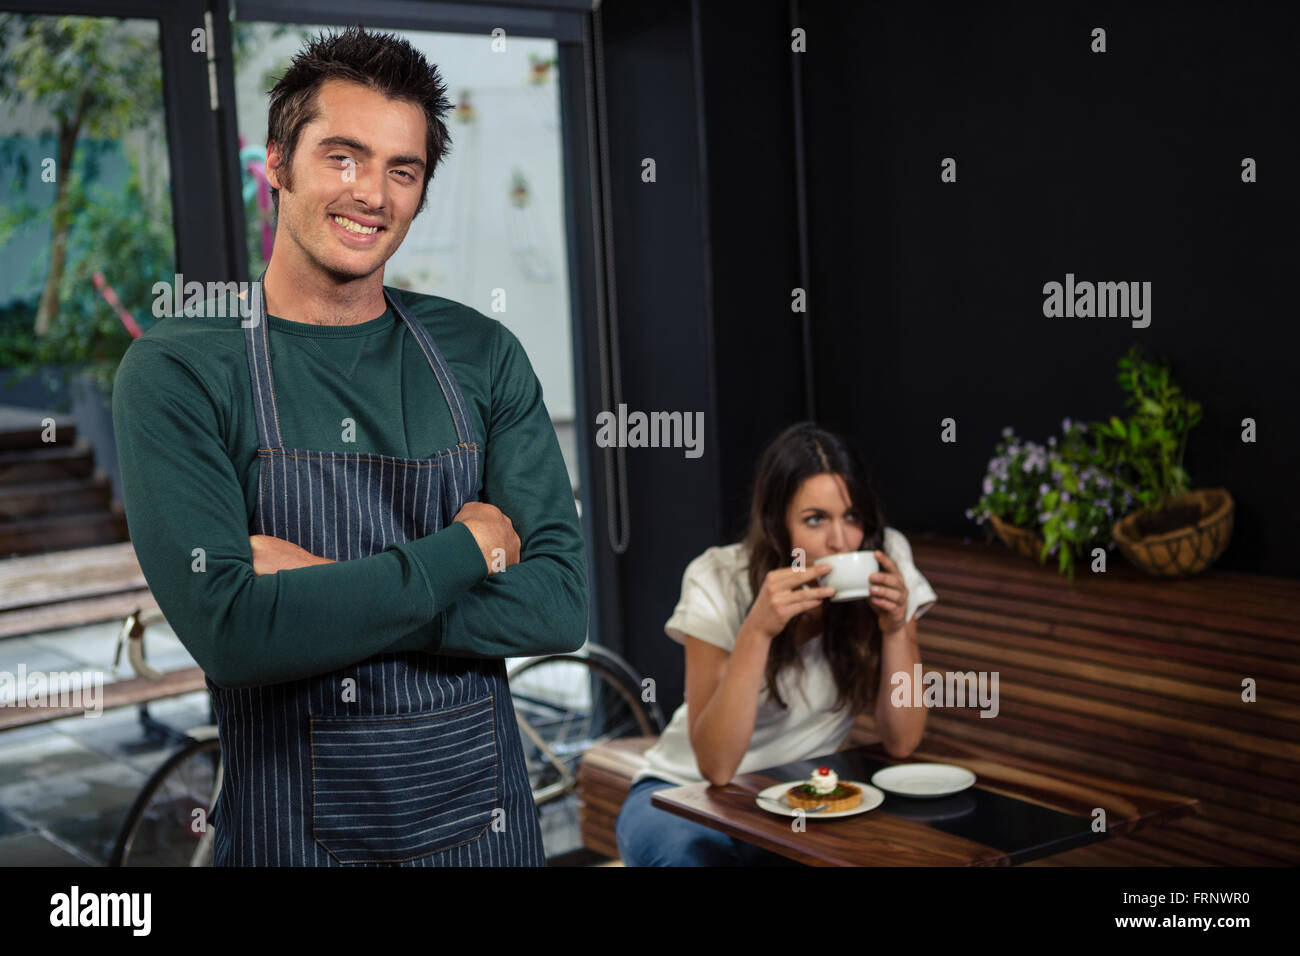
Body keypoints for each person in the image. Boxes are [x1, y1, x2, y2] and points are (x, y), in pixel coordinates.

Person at [112, 26, 587, 866]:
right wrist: (467, 548)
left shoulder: (479, 354)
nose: (371, 192)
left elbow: (557, 604)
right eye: (342, 155)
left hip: (489, 837)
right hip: (289, 843)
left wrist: (321, 594)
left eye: (401, 170)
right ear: (277, 165)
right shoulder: (180, 369)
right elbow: (234, 632)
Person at [615, 422, 938, 866]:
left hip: (800, 797)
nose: (840, 542)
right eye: (814, 519)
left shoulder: (890, 560)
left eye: (852, 516)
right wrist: (758, 630)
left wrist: (896, 628)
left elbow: (902, 742)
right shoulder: (716, 577)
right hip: (682, 793)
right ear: (776, 525)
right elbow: (716, 768)